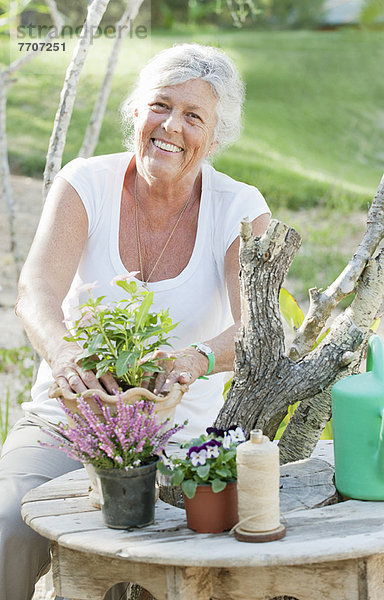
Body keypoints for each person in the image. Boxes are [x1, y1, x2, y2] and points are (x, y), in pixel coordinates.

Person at [0, 43, 270, 599]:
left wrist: (196, 359)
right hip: (71, 420)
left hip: (182, 436)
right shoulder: (86, 183)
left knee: (173, 569)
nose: (171, 126)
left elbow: (257, 331)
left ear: (215, 137)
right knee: (6, 525)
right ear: (137, 113)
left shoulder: (240, 208)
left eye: (194, 116)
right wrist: (65, 355)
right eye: (160, 106)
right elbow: (37, 289)